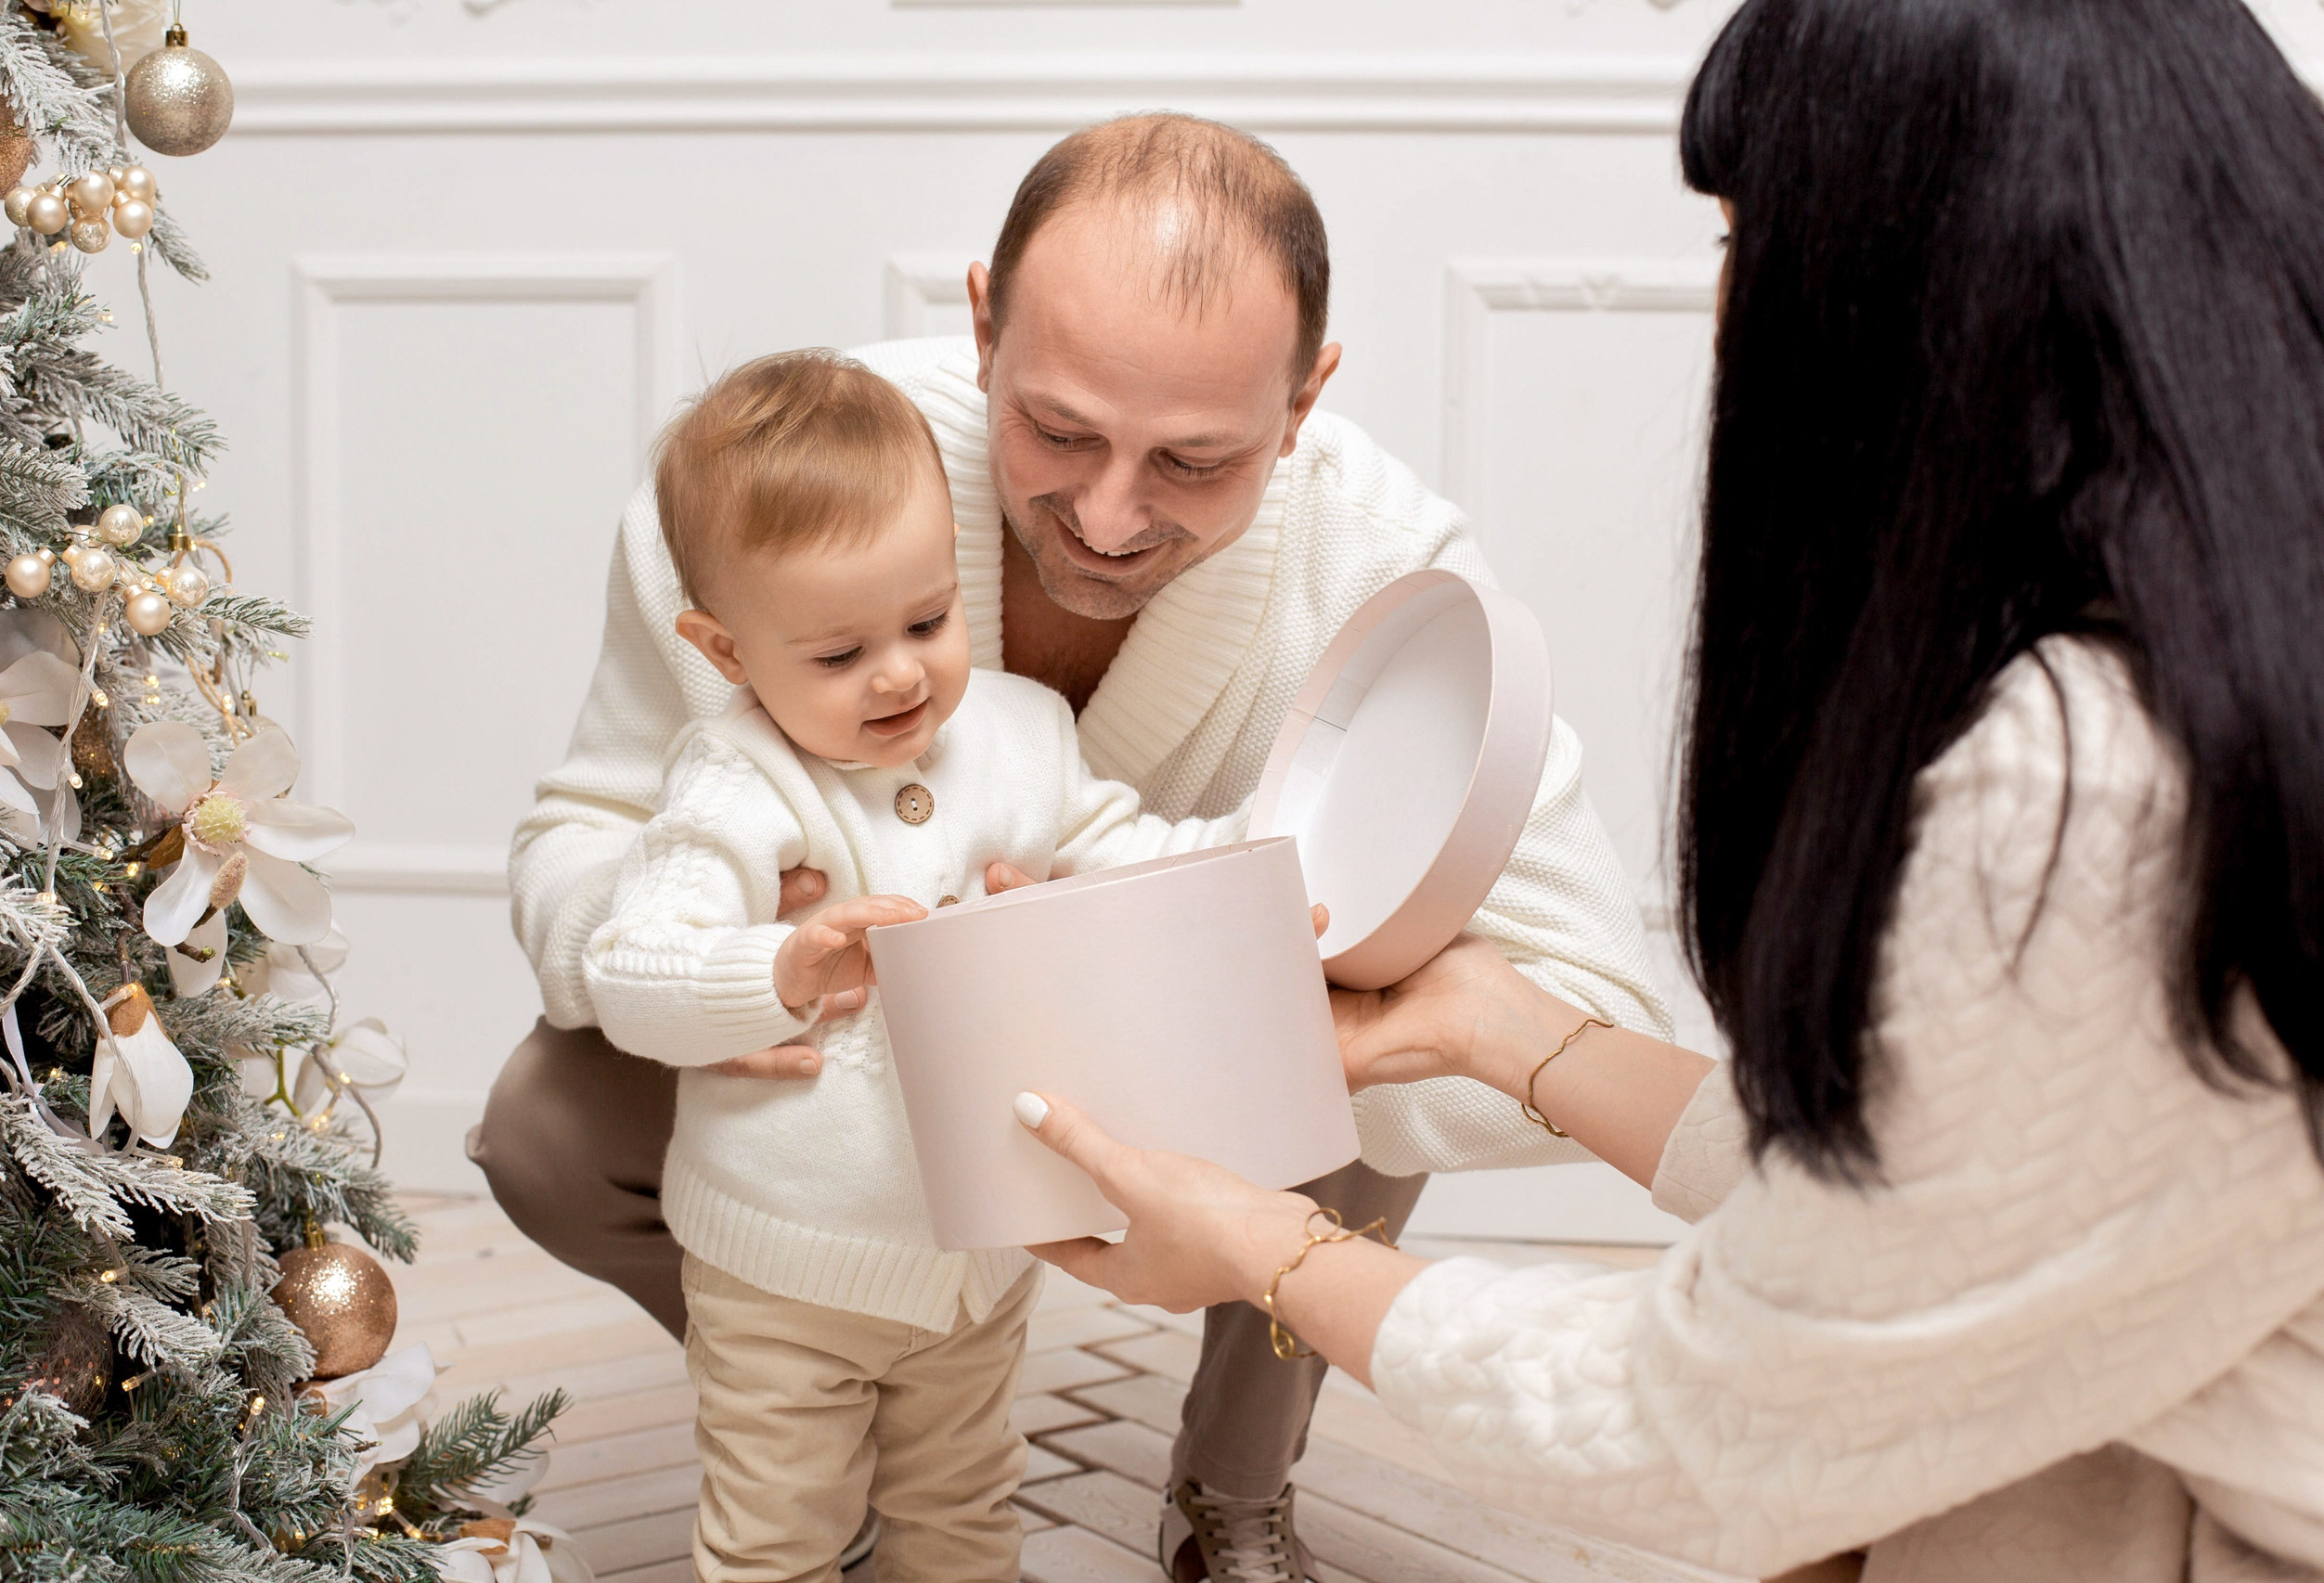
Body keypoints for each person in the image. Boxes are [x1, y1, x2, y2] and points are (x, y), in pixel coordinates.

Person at [1002, 1, 2324, 1578]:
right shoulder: (2211, 638)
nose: (1723, 314)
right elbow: (1918, 1207)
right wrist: (1497, 1025)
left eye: (1745, 242)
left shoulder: (2082, 792)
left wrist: (1249, 1241)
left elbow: (1721, 1429)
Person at [473, 113, 1671, 1581]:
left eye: (1194, 460)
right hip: (834, 1104)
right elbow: (576, 843)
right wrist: (737, 968)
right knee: (542, 1122)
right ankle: (818, 1381)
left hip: (1201, 1079)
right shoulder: (765, 500)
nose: (1108, 516)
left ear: (1303, 406)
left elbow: (1603, 1005)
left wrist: (1244, 986)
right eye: (1058, 431)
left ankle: (1233, 1484)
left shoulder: (1389, 572)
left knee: (1371, 981)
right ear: (982, 327)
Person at [586, 349, 1262, 1580]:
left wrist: (1257, 866)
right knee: (773, 1534)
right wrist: (778, 965)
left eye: (928, 618)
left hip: (981, 1253)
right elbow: (635, 968)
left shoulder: (1021, 733)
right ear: (726, 651)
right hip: (785, 1263)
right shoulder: (736, 779)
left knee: (962, 1517)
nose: (900, 672)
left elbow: (1133, 851)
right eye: (838, 655)